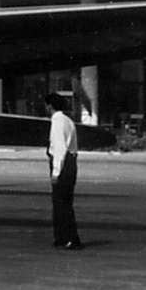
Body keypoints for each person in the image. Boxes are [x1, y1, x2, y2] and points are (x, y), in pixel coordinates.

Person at [45, 93, 83, 250]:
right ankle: (61, 236)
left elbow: (60, 149)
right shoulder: (68, 121)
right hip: (71, 162)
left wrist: (55, 172)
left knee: (62, 202)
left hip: (63, 163)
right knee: (62, 202)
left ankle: (70, 237)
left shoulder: (57, 122)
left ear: (49, 106)